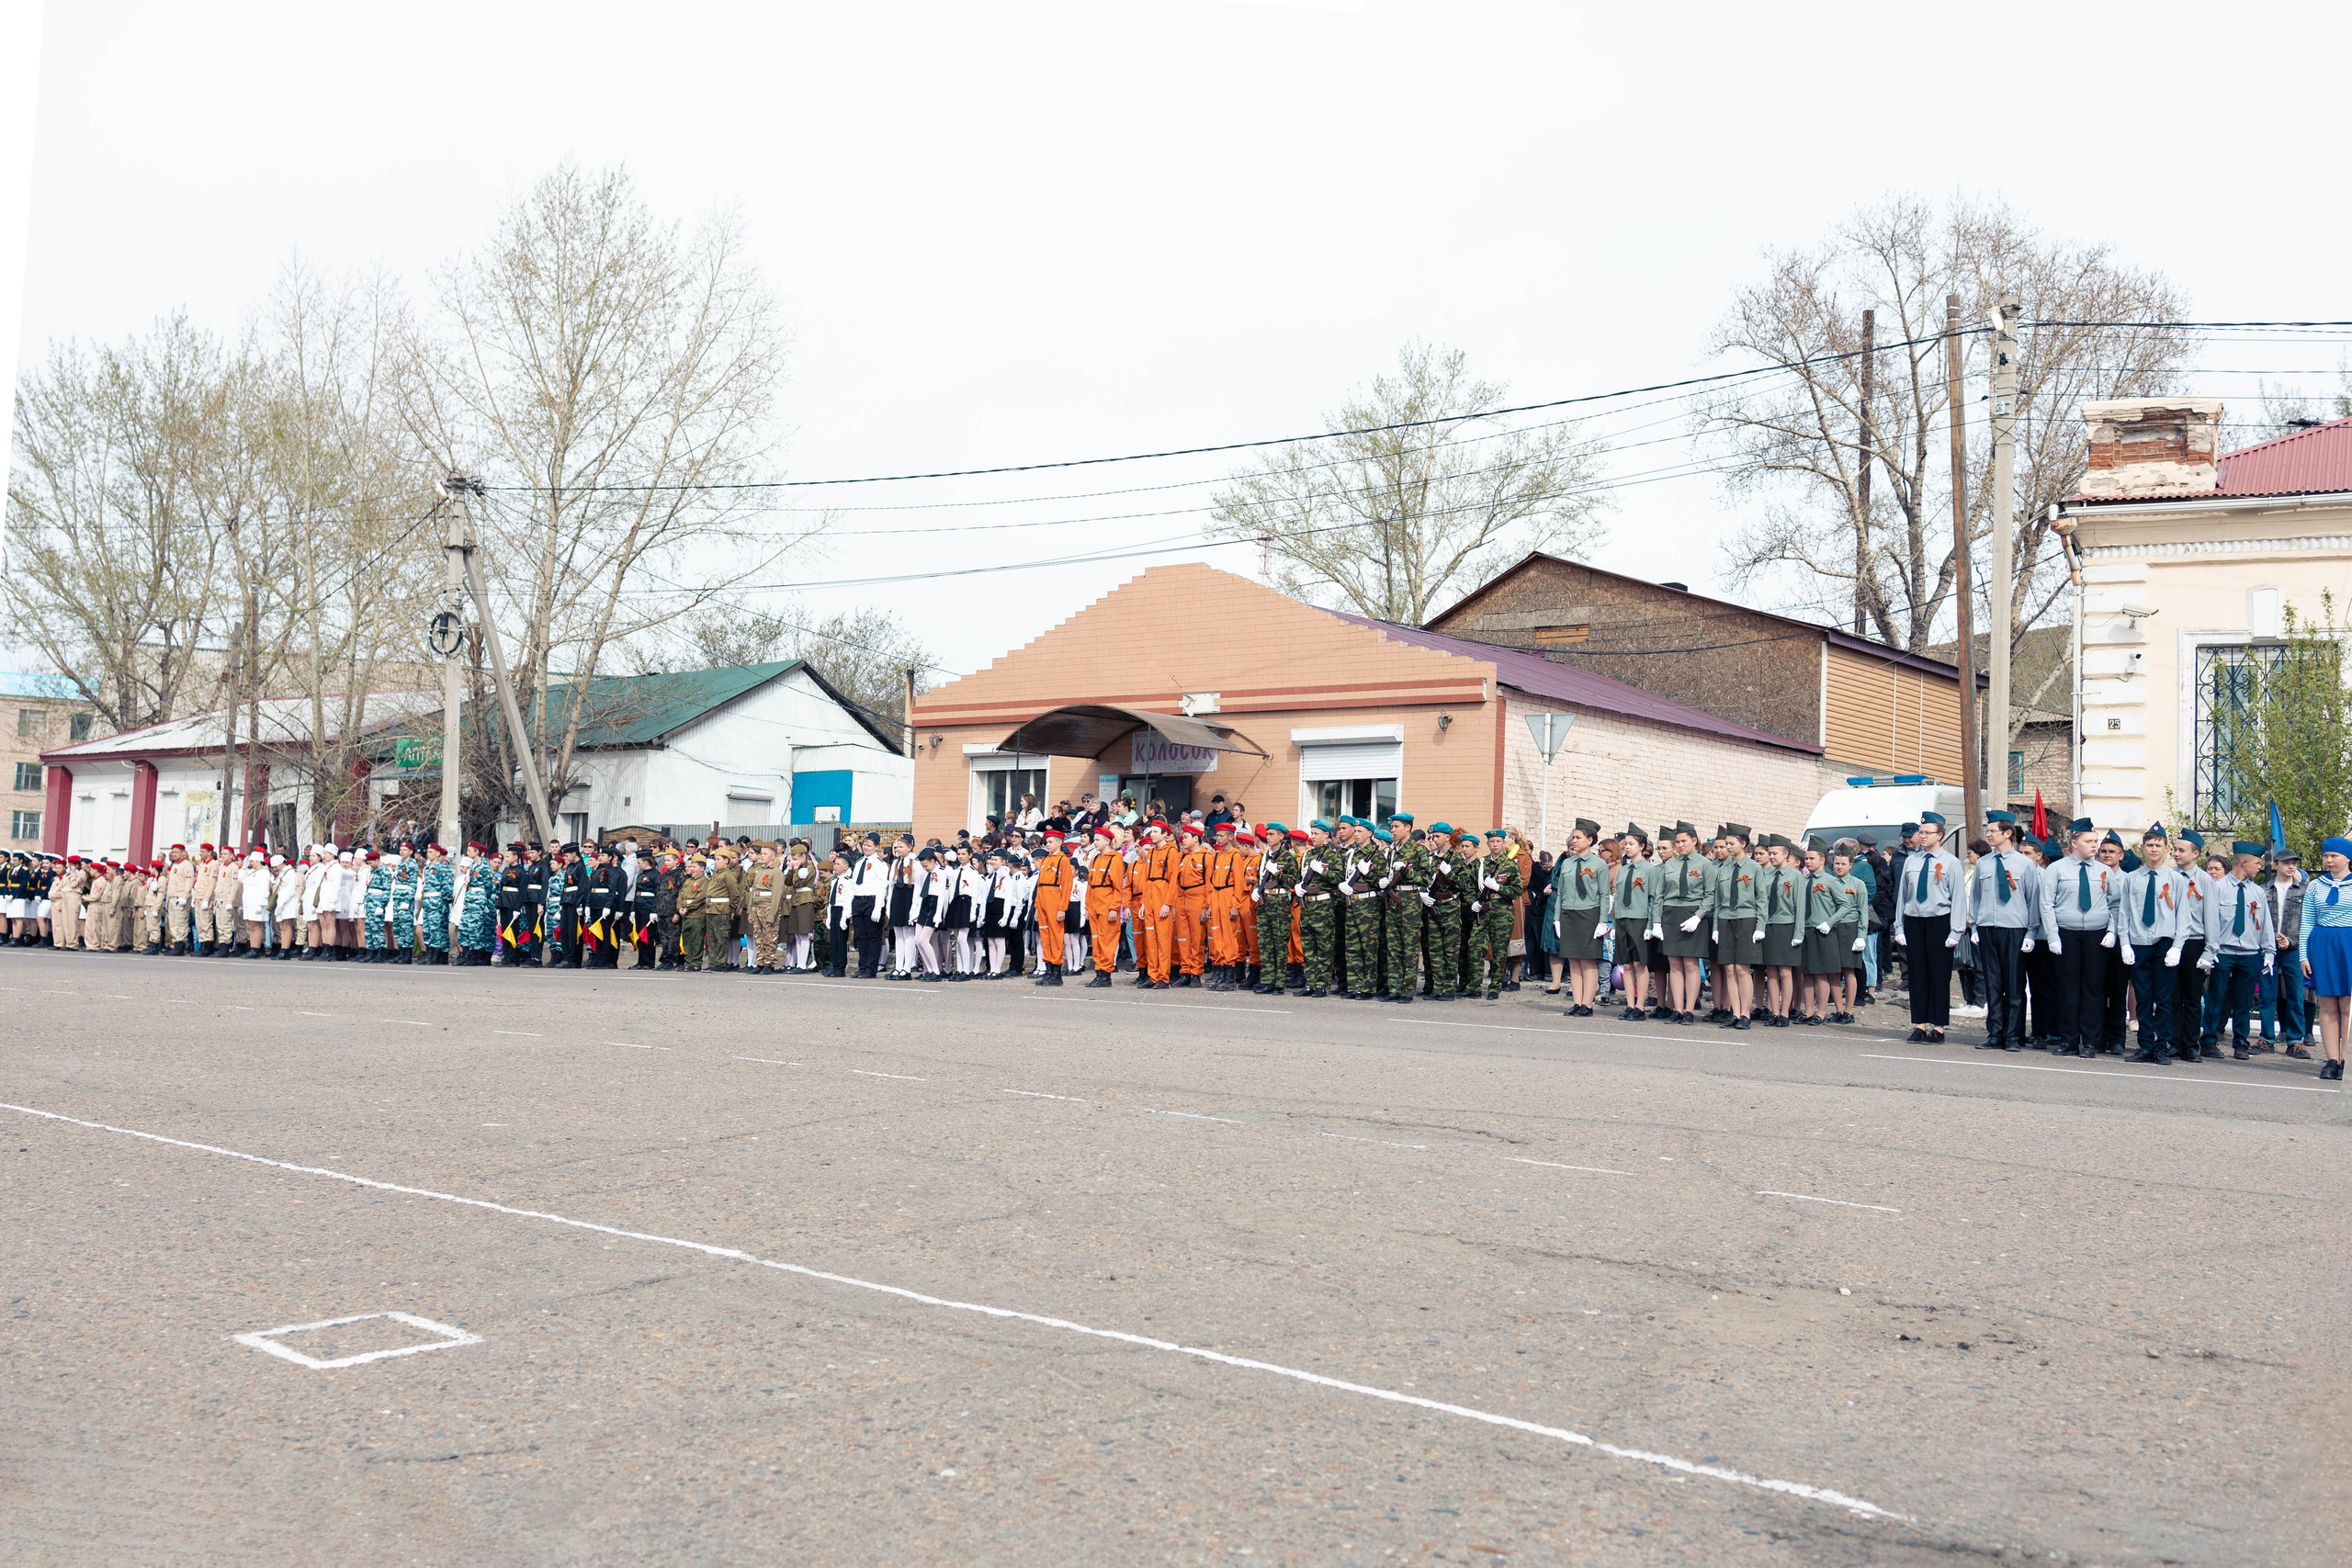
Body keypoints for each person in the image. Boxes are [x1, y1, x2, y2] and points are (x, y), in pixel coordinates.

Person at [2040, 820, 2120, 1058]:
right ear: (2074, 843)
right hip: (2067, 933)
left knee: (2093, 990)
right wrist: (2052, 936)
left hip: (2096, 935)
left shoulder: (2103, 871)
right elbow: (2046, 903)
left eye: (2096, 841)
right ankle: (2069, 1041)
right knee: (2069, 989)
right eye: (2089, 841)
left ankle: (2091, 1043)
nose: (2094, 846)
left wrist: (2111, 932)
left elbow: (2115, 904)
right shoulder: (2057, 869)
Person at [1894, 811, 1969, 1043]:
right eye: (1921, 832)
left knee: (1938, 976)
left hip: (1940, 921)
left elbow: (1958, 898)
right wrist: (1899, 927)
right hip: (1915, 921)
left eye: (1927, 833)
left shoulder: (1951, 863)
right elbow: (1903, 896)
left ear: (1940, 835)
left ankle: (1938, 1026)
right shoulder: (1911, 861)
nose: (1922, 836)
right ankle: (1918, 1024)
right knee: (1917, 975)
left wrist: (1956, 931)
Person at [1969, 811, 2039, 1052]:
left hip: (2015, 929)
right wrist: (1976, 926)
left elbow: (2033, 901)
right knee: (1993, 984)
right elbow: (1976, 897)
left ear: (2008, 833)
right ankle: (1995, 1033)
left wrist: (2031, 933)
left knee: (2015, 984)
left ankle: (2013, 1035)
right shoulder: (1984, 863)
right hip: (1989, 929)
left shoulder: (2025, 865)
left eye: (1992, 830)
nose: (1988, 834)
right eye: (1987, 830)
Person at [2116, 823, 2184, 1064]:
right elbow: (2124, 914)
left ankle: (2162, 1046)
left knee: (2164, 999)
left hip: (2165, 943)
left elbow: (2183, 916)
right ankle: (2145, 1044)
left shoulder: (2176, 880)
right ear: (2142, 847)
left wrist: (2177, 946)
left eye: (2159, 845)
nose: (2154, 849)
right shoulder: (2132, 879)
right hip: (2139, 943)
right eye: (2150, 845)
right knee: (2143, 997)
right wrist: (2124, 943)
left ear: (2166, 849)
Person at [2204, 841, 2276, 1060]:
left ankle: (2240, 1042)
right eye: (2257, 863)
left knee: (2244, 1001)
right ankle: (2208, 1040)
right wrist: (2210, 950)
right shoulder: (2217, 888)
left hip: (2249, 953)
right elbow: (2210, 922)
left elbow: (2265, 925)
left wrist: (2269, 952)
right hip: (2223, 951)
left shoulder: (2257, 892)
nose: (2259, 867)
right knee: (2216, 998)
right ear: (2244, 862)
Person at [2299, 837, 2352, 1080]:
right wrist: (2303, 956)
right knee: (2328, 1006)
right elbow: (2307, 921)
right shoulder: (2315, 886)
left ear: (2347, 858)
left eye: (2334, 856)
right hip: (2323, 946)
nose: (2329, 860)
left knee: (2348, 1006)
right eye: (2326, 856)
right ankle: (2332, 1060)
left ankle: (2347, 1060)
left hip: (2348, 946)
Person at [1551, 820, 1610, 1017]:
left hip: (1588, 913)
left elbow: (1603, 894)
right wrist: (1557, 918)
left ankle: (1588, 1004)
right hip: (1568, 913)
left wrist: (1602, 921)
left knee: (1587, 961)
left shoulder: (1599, 864)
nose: (1573, 841)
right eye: (1573, 837)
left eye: (1578, 837)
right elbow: (1560, 893)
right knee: (1573, 960)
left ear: (1590, 840)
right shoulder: (1568, 863)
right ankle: (1577, 1002)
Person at [2265, 850, 2308, 1055]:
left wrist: (2290, 940)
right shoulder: (2264, 889)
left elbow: (2307, 922)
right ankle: (2266, 1038)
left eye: (2294, 863)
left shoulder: (2304, 891)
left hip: (2294, 949)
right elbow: (2259, 920)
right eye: (2286, 863)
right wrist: (2272, 937)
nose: (2291, 866)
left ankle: (2294, 1041)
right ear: (2276, 865)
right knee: (2267, 994)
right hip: (2268, 948)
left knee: (2295, 995)